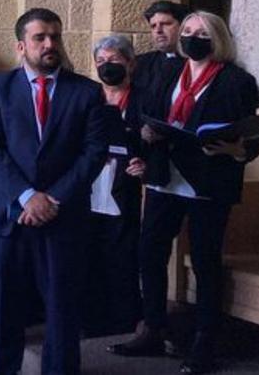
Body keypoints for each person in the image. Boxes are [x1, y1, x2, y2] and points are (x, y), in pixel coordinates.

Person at [110, 11, 259, 375]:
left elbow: (251, 140)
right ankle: (153, 329)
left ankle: (203, 343)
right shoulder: (168, 72)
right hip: (166, 176)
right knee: (149, 254)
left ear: (218, 38)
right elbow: (148, 113)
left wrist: (233, 150)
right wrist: (147, 135)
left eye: (202, 32)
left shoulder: (236, 81)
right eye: (189, 31)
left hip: (209, 182)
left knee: (206, 263)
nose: (193, 37)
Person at [0, 8, 108, 375]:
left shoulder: (88, 92)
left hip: (62, 218)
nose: (50, 44)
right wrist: (25, 196)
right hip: (5, 216)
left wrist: (51, 199)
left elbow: (93, 152)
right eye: (40, 38)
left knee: (62, 311)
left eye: (55, 36)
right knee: (4, 311)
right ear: (21, 46)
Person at [83, 35, 146, 338]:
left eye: (115, 61)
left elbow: (157, 142)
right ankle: (93, 317)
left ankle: (124, 318)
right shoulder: (89, 97)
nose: (107, 67)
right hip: (90, 181)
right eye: (101, 62)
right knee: (90, 251)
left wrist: (144, 161)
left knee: (121, 253)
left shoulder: (142, 99)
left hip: (125, 183)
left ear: (130, 63)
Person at [132, 0, 191, 92]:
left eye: (166, 24)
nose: (158, 30)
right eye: (153, 26)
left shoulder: (197, 63)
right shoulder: (140, 64)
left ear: (182, 27)